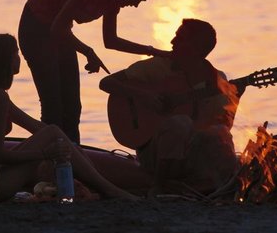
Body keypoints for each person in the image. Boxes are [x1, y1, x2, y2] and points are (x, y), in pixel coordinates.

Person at [0, 33, 138, 203]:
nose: (19, 58)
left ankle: (99, 187)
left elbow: (36, 126)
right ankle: (109, 189)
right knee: (51, 136)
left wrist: (71, 146)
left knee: (52, 133)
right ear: (3, 60)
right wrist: (45, 153)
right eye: (15, 53)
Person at [18, 0, 170, 143]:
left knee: (73, 107)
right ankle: (48, 152)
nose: (136, 5)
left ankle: (73, 152)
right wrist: (88, 52)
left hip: (60, 32)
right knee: (53, 106)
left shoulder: (112, 1)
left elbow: (111, 41)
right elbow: (57, 27)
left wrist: (153, 51)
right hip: (35, 28)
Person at [99, 19, 240, 194]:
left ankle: (213, 188)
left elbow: (222, 126)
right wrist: (144, 95)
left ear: (196, 48)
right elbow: (107, 83)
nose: (172, 42)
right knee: (179, 123)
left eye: (180, 39)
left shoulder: (217, 81)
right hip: (153, 151)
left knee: (220, 132)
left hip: (191, 152)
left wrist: (234, 99)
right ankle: (159, 188)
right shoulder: (157, 66)